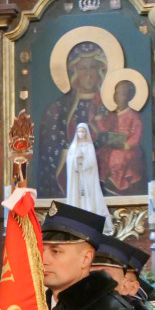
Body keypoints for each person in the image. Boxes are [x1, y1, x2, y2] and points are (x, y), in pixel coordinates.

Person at [38, 41, 111, 197]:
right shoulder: (58, 108)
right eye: (84, 68)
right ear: (75, 71)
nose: (89, 74)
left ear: (100, 70)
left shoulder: (109, 105)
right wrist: (69, 153)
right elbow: (49, 149)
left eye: (93, 68)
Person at [96, 81, 145, 195]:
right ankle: (103, 181)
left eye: (122, 94)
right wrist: (98, 118)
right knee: (101, 154)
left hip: (127, 148)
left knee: (117, 158)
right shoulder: (111, 115)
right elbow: (105, 129)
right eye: (116, 93)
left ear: (129, 97)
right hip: (112, 145)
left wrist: (126, 144)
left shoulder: (133, 116)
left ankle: (118, 185)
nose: (118, 97)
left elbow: (137, 134)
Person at [65, 123, 112, 227]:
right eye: (79, 131)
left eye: (82, 131)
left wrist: (84, 160)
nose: (80, 134)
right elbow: (69, 161)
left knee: (87, 196)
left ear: (86, 133)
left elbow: (92, 162)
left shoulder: (89, 146)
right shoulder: (73, 146)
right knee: (78, 196)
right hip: (77, 176)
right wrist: (76, 159)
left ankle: (89, 213)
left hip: (87, 176)